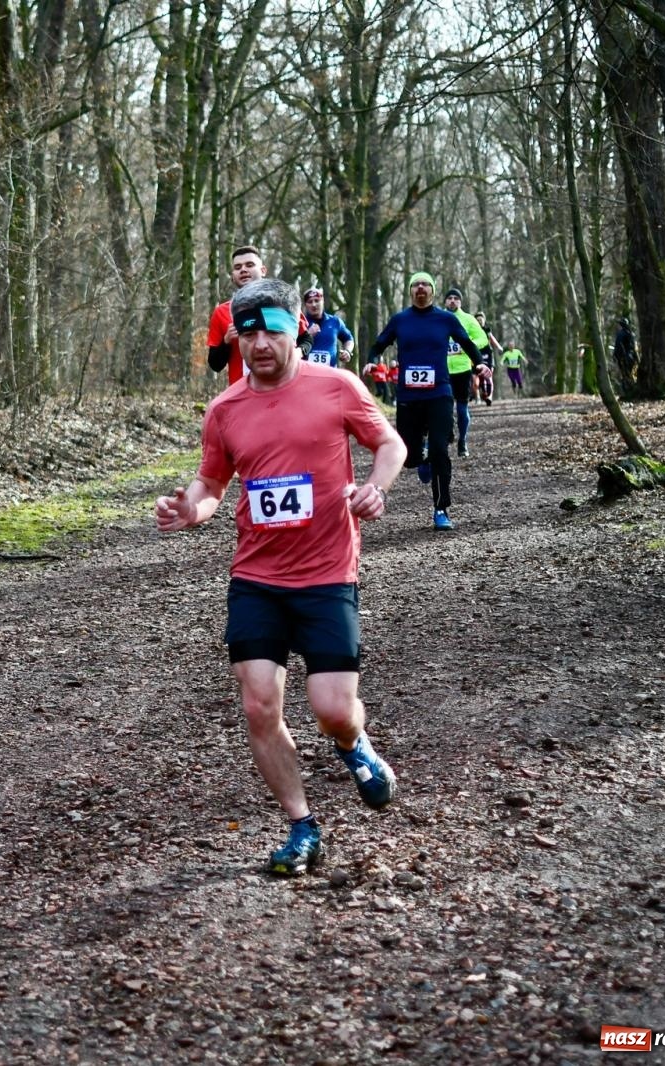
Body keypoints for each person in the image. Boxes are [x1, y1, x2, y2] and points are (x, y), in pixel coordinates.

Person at [156, 278, 407, 876]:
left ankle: (354, 744)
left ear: (299, 329)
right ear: (236, 337)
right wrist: (192, 509)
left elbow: (390, 444)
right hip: (257, 576)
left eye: (273, 329)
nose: (261, 343)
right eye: (249, 333)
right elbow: (213, 483)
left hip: (326, 573)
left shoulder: (336, 386)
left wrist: (375, 487)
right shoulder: (225, 408)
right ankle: (302, 827)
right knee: (259, 704)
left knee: (331, 710)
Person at [368, 272, 483, 531]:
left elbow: (466, 343)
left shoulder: (446, 319)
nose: (420, 288)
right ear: (411, 291)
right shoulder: (400, 320)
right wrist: (371, 360)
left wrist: (481, 364)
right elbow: (379, 344)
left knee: (441, 450)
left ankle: (441, 508)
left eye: (425, 284)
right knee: (409, 456)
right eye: (416, 284)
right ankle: (423, 460)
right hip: (409, 396)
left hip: (439, 393)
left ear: (432, 290)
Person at [206, 245, 309, 386]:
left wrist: (298, 353)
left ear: (263, 270)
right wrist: (226, 342)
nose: (243, 270)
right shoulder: (221, 312)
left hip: (284, 389)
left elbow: (306, 339)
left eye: (249, 265)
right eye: (237, 267)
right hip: (243, 394)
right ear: (232, 276)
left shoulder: (282, 305)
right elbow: (215, 365)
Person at [440, 288, 495, 457]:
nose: (452, 301)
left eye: (456, 298)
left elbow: (483, 339)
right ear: (445, 301)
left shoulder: (468, 319)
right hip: (442, 370)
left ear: (460, 302)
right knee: (443, 407)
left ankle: (462, 441)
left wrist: (467, 343)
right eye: (449, 298)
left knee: (462, 410)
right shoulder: (438, 317)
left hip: (463, 370)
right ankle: (446, 434)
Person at [301, 287, 355, 368]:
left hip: (330, 373)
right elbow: (291, 346)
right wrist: (308, 335)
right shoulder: (300, 322)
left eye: (316, 300)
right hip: (306, 372)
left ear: (322, 301)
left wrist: (347, 351)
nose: (314, 304)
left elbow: (349, 339)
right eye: (310, 302)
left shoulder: (335, 321)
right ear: (305, 305)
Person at [473, 314, 497, 407]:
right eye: (477, 320)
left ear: (484, 320)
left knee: (489, 377)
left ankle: (489, 397)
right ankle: (480, 396)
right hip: (477, 355)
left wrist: (499, 347)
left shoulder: (487, 330)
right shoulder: (472, 330)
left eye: (481, 319)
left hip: (488, 355)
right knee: (479, 379)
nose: (479, 321)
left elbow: (493, 339)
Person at [612, 317, 638, 382]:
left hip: (625, 356)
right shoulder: (627, 334)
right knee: (627, 373)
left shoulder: (623, 334)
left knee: (626, 373)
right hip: (626, 356)